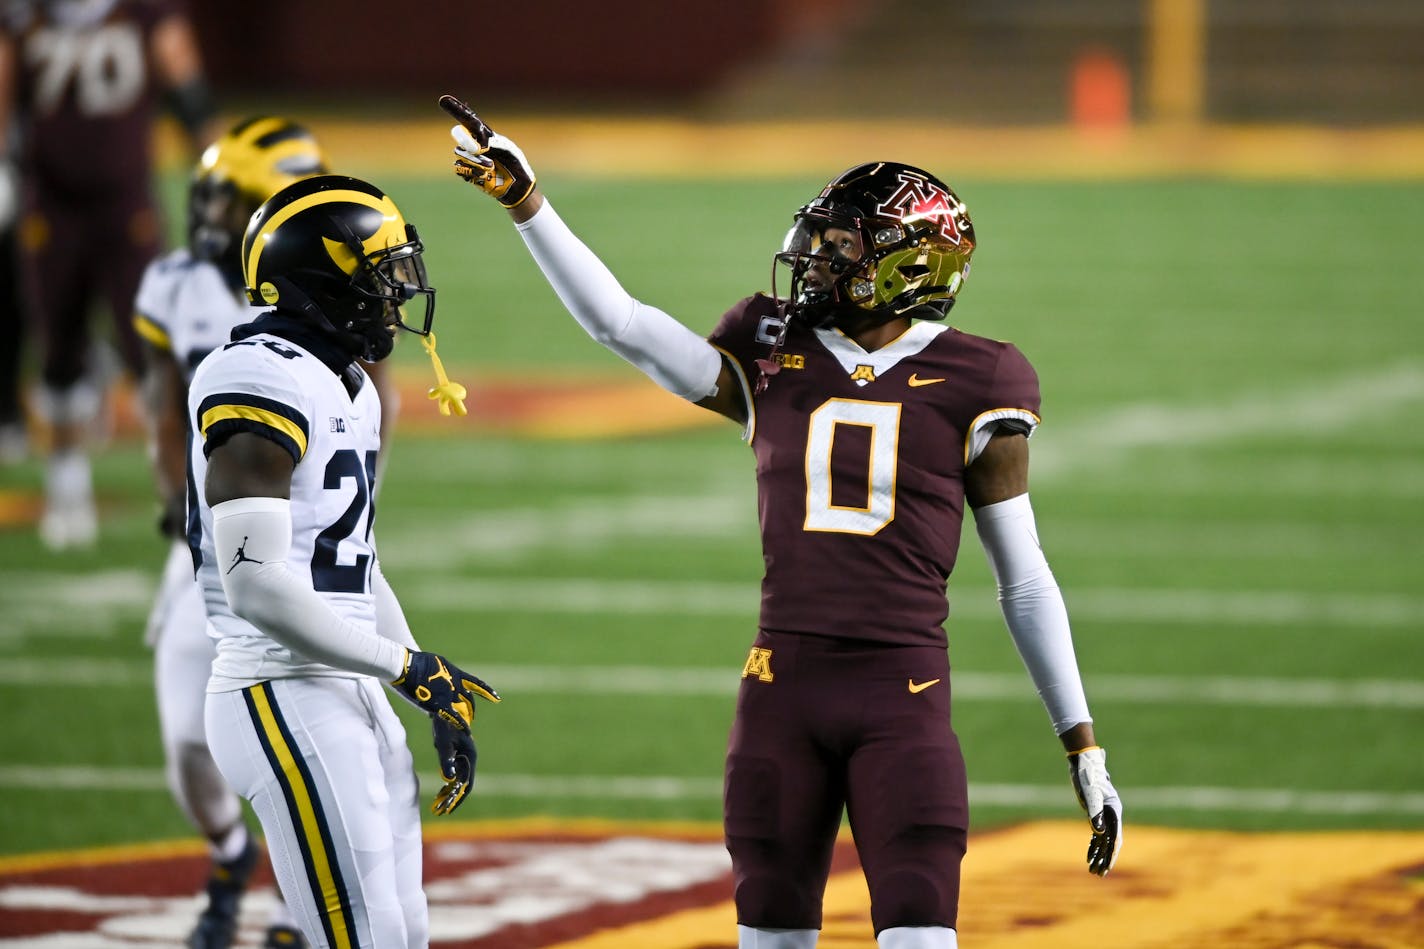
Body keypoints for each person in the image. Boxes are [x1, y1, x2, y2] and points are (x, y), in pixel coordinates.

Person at [439, 95, 1124, 949]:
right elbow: (624, 325)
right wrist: (529, 206)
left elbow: (1023, 575)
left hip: (902, 694)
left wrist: (1082, 744)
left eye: (843, 247)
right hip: (778, 688)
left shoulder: (981, 376)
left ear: (911, 265)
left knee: (919, 935)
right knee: (768, 937)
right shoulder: (770, 347)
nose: (815, 260)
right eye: (822, 239)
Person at [187, 171, 493, 948]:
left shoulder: (344, 384)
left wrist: (419, 672)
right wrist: (399, 664)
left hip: (345, 685)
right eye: (379, 274)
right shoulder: (256, 374)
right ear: (323, 279)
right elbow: (254, 583)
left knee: (400, 934)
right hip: (279, 685)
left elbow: (353, 565)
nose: (396, 295)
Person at [133, 115, 353, 949]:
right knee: (186, 737)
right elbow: (161, 399)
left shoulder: (322, 287)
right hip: (201, 546)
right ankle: (229, 854)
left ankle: (300, 907)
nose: (214, 212)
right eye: (214, 192)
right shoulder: (175, 283)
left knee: (313, 728)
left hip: (294, 544)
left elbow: (374, 398)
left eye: (237, 197)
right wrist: (168, 489)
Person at [0, 0, 221, 546]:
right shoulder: (24, 20)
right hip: (50, 205)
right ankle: (66, 483)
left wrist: (220, 171)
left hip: (127, 207)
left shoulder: (143, 15)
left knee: (154, 352)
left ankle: (183, 490)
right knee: (57, 348)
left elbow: (191, 96)